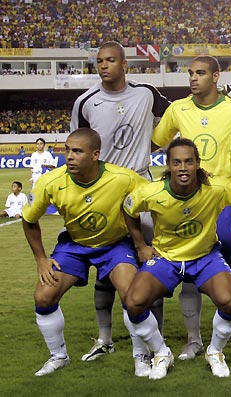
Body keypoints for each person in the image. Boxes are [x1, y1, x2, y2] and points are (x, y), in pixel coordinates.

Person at [152, 55, 231, 361]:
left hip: (224, 201)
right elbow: (155, 141)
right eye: (190, 73)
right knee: (190, 269)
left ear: (216, 76)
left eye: (200, 73)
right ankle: (194, 340)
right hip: (187, 202)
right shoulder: (177, 108)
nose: (193, 78)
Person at [70, 40, 171, 363]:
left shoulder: (146, 93)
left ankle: (158, 337)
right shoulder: (86, 102)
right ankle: (105, 338)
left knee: (151, 265)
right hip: (103, 192)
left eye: (110, 60)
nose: (103, 65)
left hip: (142, 187)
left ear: (125, 64)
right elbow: (78, 145)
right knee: (105, 266)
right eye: (99, 61)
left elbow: (177, 117)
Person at [21, 128, 147, 377]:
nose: (69, 156)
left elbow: (156, 196)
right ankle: (58, 357)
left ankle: (141, 356)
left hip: (115, 244)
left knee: (132, 296)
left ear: (95, 154)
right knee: (44, 296)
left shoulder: (123, 178)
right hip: (74, 245)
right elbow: (28, 219)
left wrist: (143, 244)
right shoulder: (51, 181)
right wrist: (41, 259)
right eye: (67, 150)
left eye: (77, 151)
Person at [123, 138, 231, 379]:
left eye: (189, 161)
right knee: (134, 303)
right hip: (166, 258)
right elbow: (128, 209)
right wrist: (140, 245)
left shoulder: (216, 188)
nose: (183, 168)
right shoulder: (151, 192)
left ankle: (215, 352)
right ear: (168, 165)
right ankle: (161, 353)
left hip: (205, 256)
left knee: (230, 301)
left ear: (198, 163)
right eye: (177, 162)